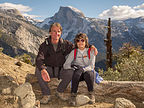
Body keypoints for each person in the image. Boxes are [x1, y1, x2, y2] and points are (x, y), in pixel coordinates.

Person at [35, 22, 98, 104]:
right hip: (49, 69)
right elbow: (39, 59)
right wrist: (43, 69)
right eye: (54, 31)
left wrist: (90, 46)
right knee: (38, 70)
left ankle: (59, 91)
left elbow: (79, 46)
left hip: (62, 69)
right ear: (50, 32)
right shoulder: (44, 45)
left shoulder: (66, 44)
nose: (56, 33)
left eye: (58, 31)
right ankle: (46, 94)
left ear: (61, 33)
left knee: (71, 71)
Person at [63, 33, 96, 106]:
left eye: (82, 40)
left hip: (87, 71)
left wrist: (83, 69)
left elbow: (91, 66)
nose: (80, 42)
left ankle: (91, 94)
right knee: (76, 73)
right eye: (78, 40)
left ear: (85, 41)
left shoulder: (91, 51)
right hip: (78, 74)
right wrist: (72, 68)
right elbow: (66, 65)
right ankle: (73, 95)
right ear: (76, 42)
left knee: (89, 74)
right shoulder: (74, 52)